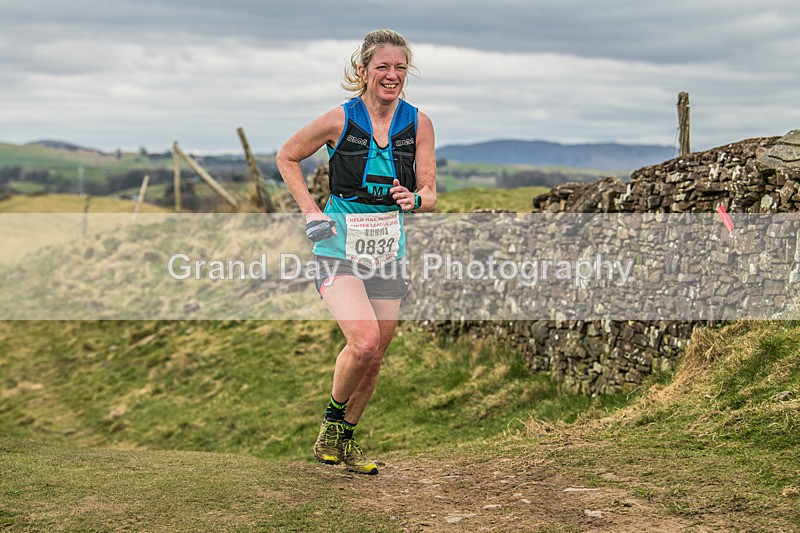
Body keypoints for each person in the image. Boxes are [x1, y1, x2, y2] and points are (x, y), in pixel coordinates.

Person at [276, 29, 436, 475]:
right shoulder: (339, 119)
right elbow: (287, 156)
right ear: (363, 70)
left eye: (400, 67)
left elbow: (430, 192)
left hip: (388, 252)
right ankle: (331, 425)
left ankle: (346, 441)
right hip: (338, 248)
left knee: (376, 355)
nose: (392, 75)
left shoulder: (419, 123)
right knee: (363, 341)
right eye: (382, 66)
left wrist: (415, 199)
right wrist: (310, 211)